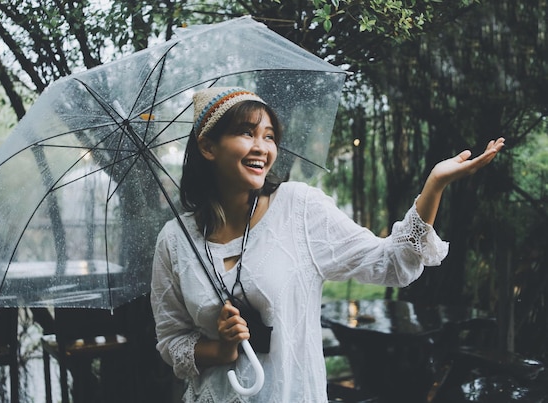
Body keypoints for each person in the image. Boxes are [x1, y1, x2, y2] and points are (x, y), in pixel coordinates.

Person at [150, 86, 505, 402]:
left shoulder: (298, 209)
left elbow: (392, 263)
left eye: (270, 135)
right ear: (208, 146)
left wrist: (434, 186)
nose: (262, 147)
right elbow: (171, 340)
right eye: (246, 132)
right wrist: (221, 349)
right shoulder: (175, 240)